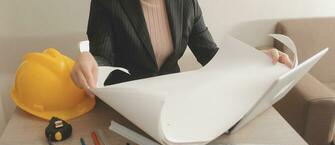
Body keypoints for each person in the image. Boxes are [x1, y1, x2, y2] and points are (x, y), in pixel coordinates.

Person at [71, 0, 293, 97]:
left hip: (172, 97)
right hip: (127, 102)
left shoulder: (186, 3)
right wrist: (89, 63)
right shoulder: (106, 2)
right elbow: (102, 57)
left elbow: (210, 56)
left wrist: (252, 59)